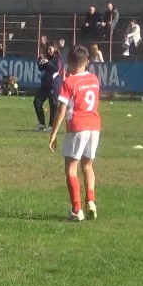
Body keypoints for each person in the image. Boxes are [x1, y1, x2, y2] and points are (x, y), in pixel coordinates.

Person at [47, 44, 101, 222]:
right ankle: (91, 201)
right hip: (94, 126)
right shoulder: (94, 79)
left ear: (69, 62)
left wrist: (53, 134)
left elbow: (61, 109)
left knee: (71, 168)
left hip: (78, 126)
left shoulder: (69, 82)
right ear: (87, 62)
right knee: (88, 166)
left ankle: (76, 209)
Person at [33, 42, 60, 133]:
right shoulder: (47, 57)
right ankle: (41, 123)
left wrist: (48, 63)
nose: (49, 51)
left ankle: (52, 125)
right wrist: (40, 61)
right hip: (45, 84)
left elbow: (56, 69)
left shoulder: (58, 58)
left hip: (54, 85)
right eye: (47, 49)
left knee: (53, 104)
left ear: (55, 48)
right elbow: (41, 68)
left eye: (50, 49)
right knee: (37, 102)